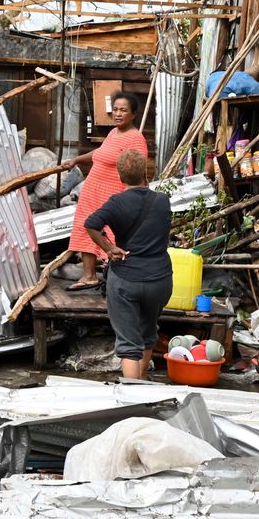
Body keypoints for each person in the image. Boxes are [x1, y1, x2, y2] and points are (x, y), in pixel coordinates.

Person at [84, 149, 172, 381]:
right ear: (145, 173)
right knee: (148, 332)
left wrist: (109, 248)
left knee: (129, 344)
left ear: (120, 177)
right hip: (159, 280)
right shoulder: (162, 201)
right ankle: (141, 385)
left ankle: (133, 397)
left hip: (126, 280)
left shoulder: (116, 203)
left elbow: (91, 224)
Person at [64, 92, 149, 291]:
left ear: (133, 114)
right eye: (116, 110)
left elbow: (138, 169)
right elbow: (100, 153)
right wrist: (76, 160)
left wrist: (135, 197)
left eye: (123, 110)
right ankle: (89, 276)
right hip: (92, 191)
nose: (118, 114)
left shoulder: (135, 139)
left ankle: (115, 279)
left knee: (110, 234)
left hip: (112, 194)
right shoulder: (113, 133)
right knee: (85, 228)